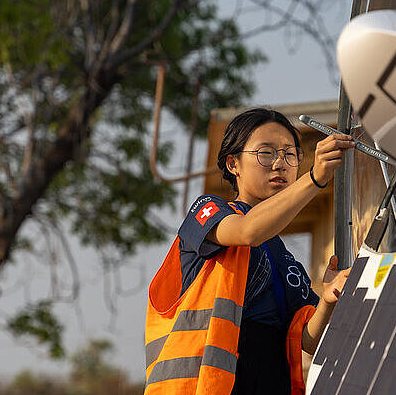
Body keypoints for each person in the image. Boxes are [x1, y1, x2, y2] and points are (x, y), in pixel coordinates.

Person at [144, 108, 354, 395]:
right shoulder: (208, 212)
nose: (280, 164)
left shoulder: (286, 261)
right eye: (266, 153)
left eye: (289, 155)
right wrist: (314, 178)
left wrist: (328, 301)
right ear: (233, 164)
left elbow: (308, 341)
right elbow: (247, 231)